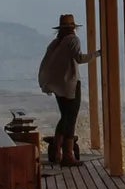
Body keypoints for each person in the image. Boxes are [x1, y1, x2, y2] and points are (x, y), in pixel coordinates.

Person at [36, 13, 100, 167]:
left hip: (58, 85)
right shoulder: (73, 40)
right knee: (70, 118)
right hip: (70, 85)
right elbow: (79, 58)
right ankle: (67, 155)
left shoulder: (55, 43)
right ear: (73, 28)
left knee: (64, 116)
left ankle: (56, 151)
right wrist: (97, 54)